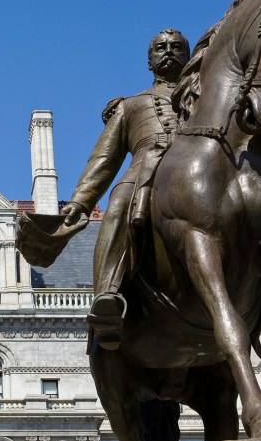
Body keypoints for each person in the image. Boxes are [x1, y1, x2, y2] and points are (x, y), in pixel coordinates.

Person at [60, 29, 190, 350]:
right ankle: (108, 294)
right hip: (148, 169)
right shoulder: (131, 105)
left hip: (201, 165)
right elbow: (102, 161)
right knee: (118, 202)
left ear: (189, 57)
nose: (168, 51)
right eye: (160, 48)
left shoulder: (213, 98)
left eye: (176, 47)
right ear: (149, 62)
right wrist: (78, 204)